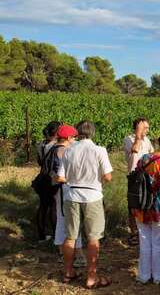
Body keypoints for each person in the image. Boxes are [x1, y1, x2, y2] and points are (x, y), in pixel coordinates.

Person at [56, 121, 113, 289]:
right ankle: (91, 276)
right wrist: (97, 181)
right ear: (92, 133)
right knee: (93, 237)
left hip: (72, 195)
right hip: (92, 196)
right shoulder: (99, 150)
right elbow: (108, 177)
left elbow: (61, 176)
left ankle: (68, 272)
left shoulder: (68, 150)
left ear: (78, 133)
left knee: (70, 236)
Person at [131, 132, 160, 284]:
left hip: (141, 207)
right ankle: (158, 277)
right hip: (157, 208)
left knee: (144, 242)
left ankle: (144, 276)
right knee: (159, 243)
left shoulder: (144, 158)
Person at [50, 125, 86, 267]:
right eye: (74, 137)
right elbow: (65, 174)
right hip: (66, 189)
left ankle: (61, 251)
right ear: (68, 138)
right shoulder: (65, 151)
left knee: (61, 219)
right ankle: (78, 254)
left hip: (57, 190)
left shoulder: (52, 148)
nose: (75, 140)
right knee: (73, 221)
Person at [123, 117, 154, 245]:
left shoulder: (147, 140)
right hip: (134, 176)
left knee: (146, 202)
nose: (147, 130)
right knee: (133, 204)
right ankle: (133, 232)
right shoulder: (128, 139)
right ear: (137, 127)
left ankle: (144, 230)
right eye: (144, 127)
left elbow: (151, 154)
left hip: (146, 176)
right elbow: (135, 150)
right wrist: (138, 135)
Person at [35, 121, 61, 243]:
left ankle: (41, 235)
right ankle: (57, 235)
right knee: (54, 207)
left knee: (43, 206)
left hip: (43, 178)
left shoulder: (41, 144)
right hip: (53, 178)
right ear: (57, 132)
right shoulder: (57, 146)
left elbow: (40, 162)